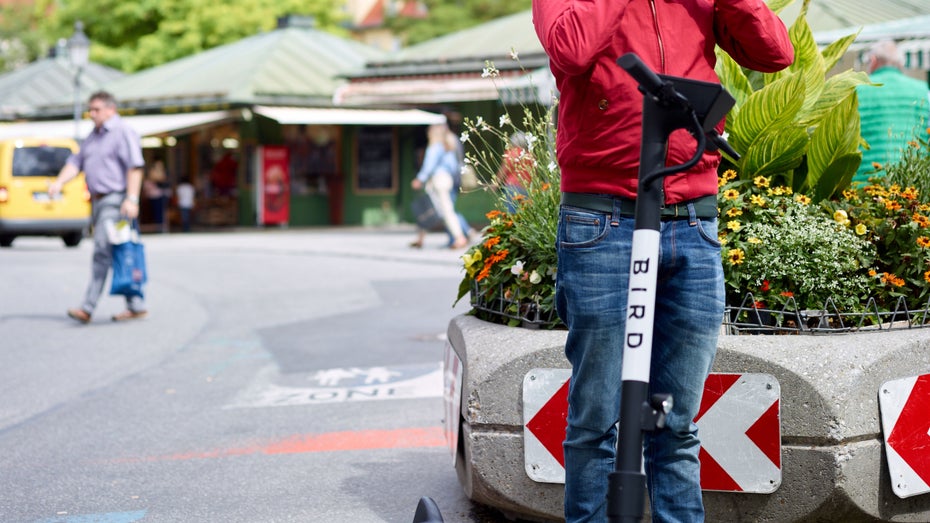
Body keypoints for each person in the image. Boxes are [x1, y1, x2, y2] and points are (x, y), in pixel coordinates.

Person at [532, 2, 794, 521]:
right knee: (597, 419)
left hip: (693, 220)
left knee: (675, 422)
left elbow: (775, 53)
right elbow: (569, 48)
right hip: (604, 218)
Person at [48, 90, 147, 324]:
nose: (91, 114)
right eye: (90, 110)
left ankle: (87, 307)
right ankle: (136, 305)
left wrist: (132, 199)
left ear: (111, 109)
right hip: (98, 201)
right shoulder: (93, 136)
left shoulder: (123, 132)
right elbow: (75, 163)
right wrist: (59, 183)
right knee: (119, 251)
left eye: (96, 109)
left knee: (101, 251)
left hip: (116, 200)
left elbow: (135, 167)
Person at [854, 39, 930, 184]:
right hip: (912, 187)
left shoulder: (857, 89)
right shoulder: (923, 90)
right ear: (901, 64)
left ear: (873, 60)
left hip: (864, 184)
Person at [410, 123, 468, 249]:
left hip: (438, 180)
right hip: (447, 179)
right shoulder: (447, 147)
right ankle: (420, 238)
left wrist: (420, 179)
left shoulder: (435, 147)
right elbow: (454, 166)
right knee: (432, 207)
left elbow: (428, 166)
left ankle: (460, 237)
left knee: (440, 209)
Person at [496, 131, 534, 213]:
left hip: (512, 187)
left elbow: (503, 170)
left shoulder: (511, 154)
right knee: (525, 212)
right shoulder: (529, 156)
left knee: (512, 213)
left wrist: (496, 183)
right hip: (526, 187)